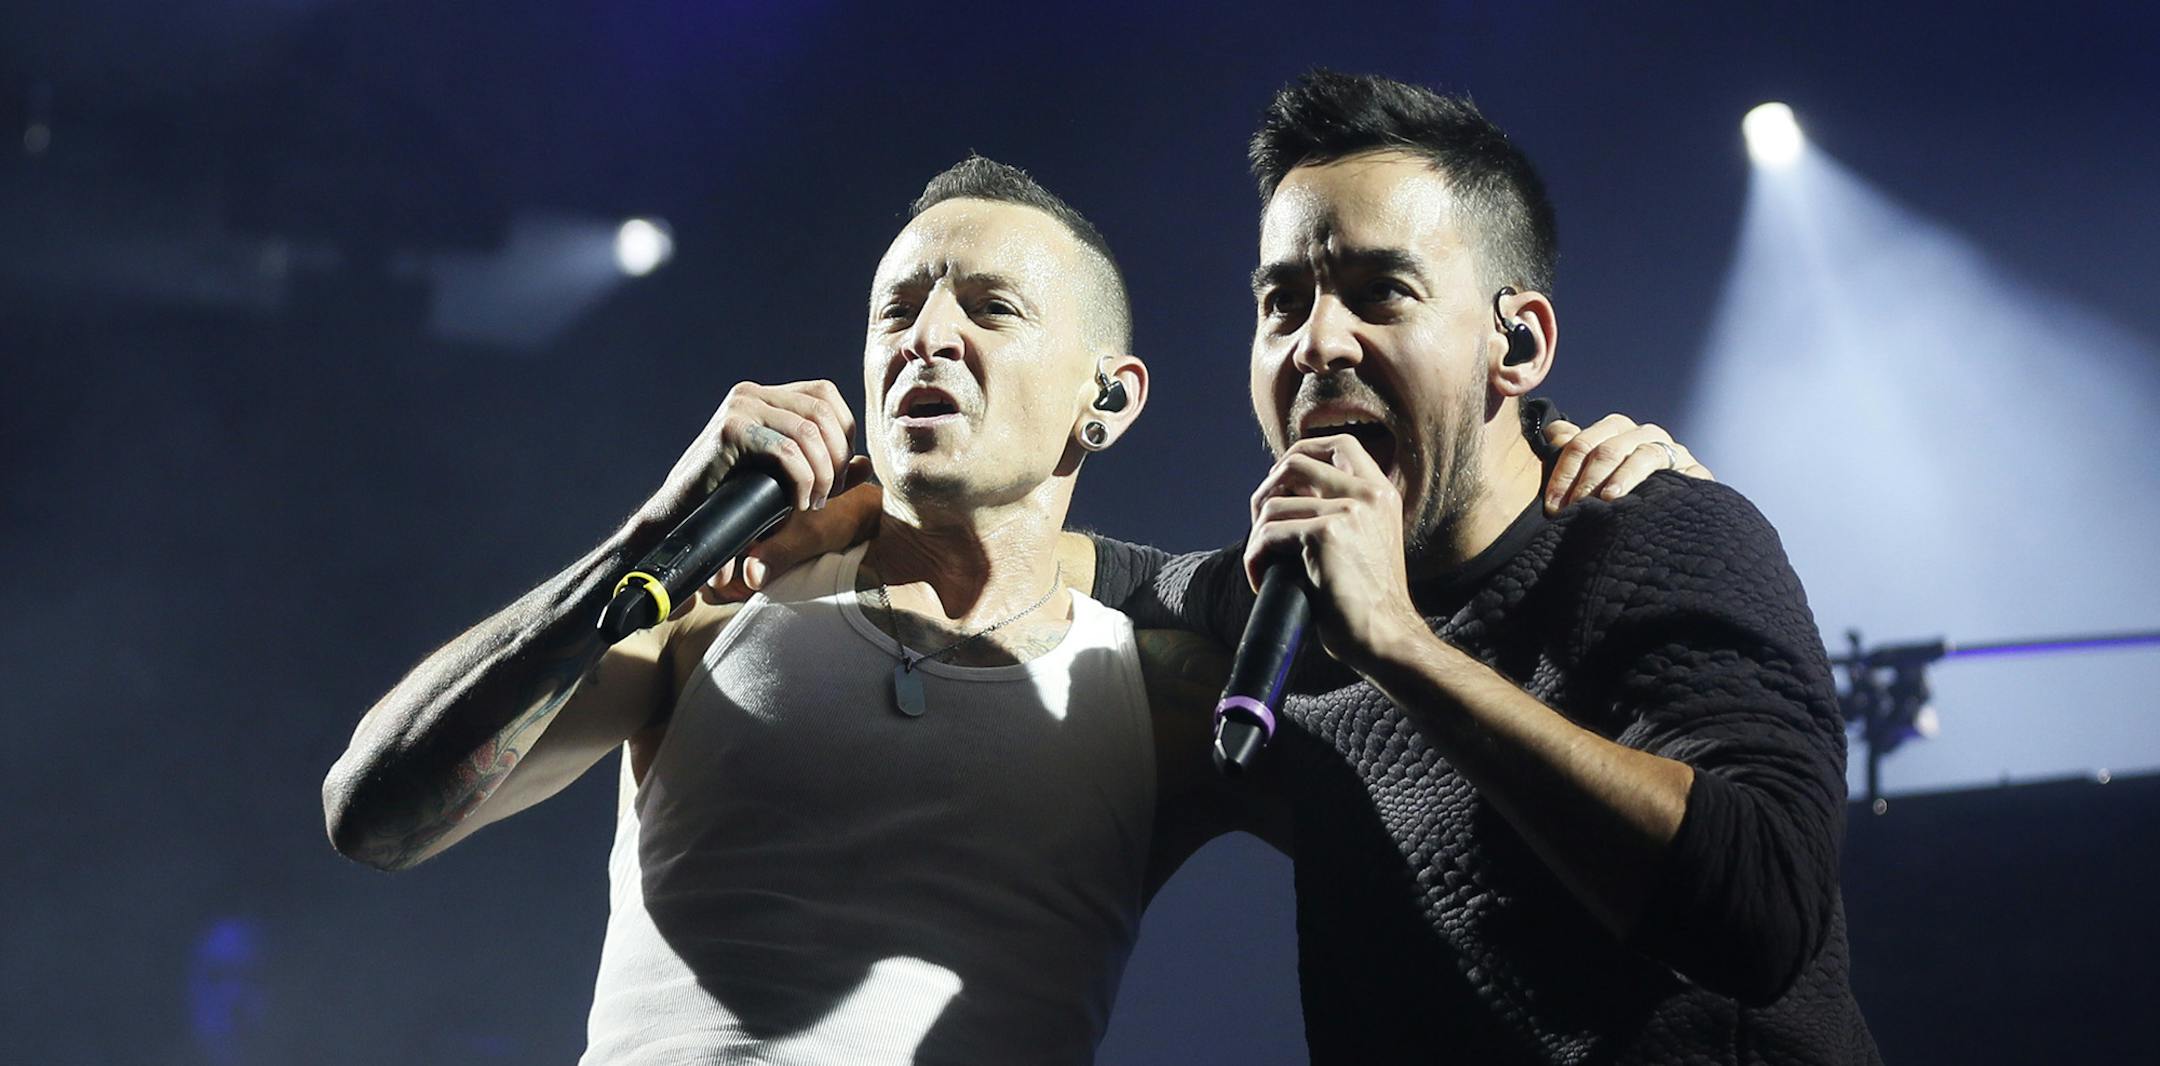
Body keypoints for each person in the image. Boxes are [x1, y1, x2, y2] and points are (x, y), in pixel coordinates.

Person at [323, 153, 1701, 1062]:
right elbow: (377, 814)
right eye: (898, 310)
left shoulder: (1165, 688)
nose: (929, 336)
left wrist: (1580, 490)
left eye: (990, 308)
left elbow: (1499, 852)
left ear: (1110, 395)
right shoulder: (706, 611)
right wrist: (649, 535)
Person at [1087, 71, 1881, 1063]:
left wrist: (1400, 647)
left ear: (1519, 340)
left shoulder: (1661, 533)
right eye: (1282, 303)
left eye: (1381, 293)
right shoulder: (1286, 597)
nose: (1318, 342)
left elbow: (1763, 910)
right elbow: (1095, 574)